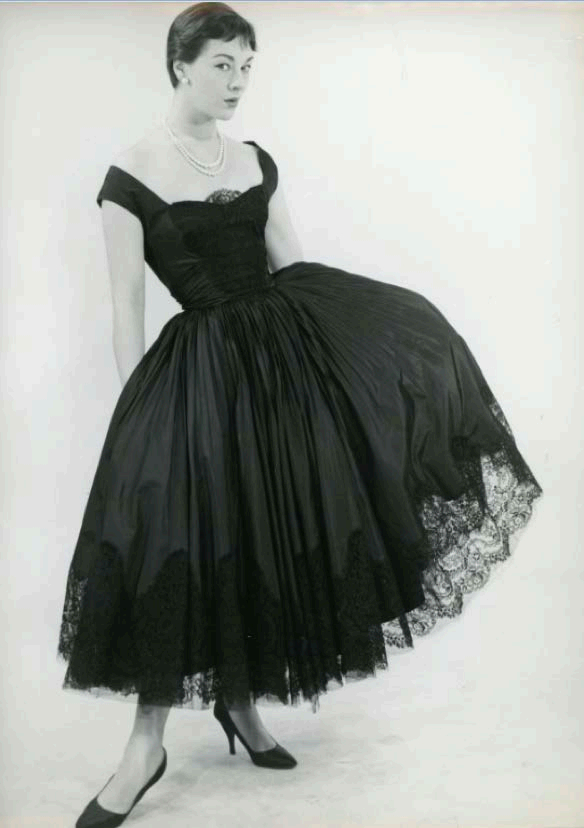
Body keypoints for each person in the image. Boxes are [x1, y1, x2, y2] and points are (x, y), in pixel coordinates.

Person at [57, 3, 543, 826]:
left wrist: (357, 354)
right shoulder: (129, 177)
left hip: (279, 373)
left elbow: (294, 268)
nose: (237, 81)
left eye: (247, 66)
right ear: (180, 66)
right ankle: (145, 749)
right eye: (222, 64)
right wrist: (140, 420)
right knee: (183, 546)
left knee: (271, 540)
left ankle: (240, 704)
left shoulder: (254, 159)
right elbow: (125, 308)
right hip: (199, 381)